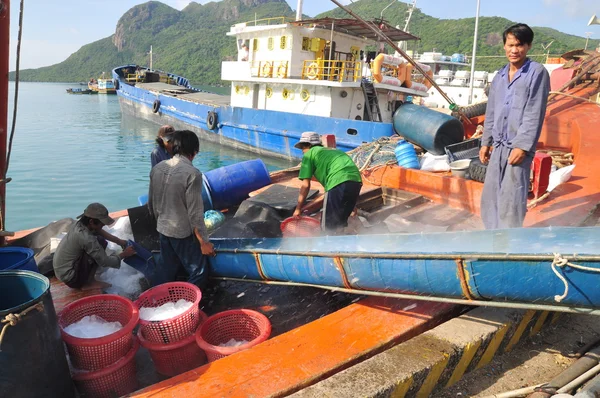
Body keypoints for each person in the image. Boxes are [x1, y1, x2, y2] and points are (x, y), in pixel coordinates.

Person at [479, 23, 550, 229]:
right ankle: (491, 236)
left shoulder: (537, 73)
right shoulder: (499, 76)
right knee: (491, 195)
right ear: (504, 46)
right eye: (510, 45)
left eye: (519, 45)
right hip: (498, 146)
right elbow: (491, 111)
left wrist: (523, 146)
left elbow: (534, 112)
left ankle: (509, 241)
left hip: (518, 147)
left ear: (528, 46)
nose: (514, 50)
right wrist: (486, 142)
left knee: (512, 198)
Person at [148, 129, 216, 289]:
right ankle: (185, 303)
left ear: (173, 147)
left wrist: (160, 223)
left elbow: (151, 204)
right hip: (181, 233)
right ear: (195, 152)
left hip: (163, 228)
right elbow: (195, 214)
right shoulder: (192, 174)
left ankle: (154, 300)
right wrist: (204, 243)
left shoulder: (157, 168)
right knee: (199, 272)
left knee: (166, 269)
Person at [293, 132, 362, 234]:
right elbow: (347, 180)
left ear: (307, 145)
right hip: (356, 181)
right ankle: (342, 245)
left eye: (302, 148)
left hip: (337, 182)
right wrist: (352, 205)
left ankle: (328, 245)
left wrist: (298, 209)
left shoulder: (309, 155)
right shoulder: (333, 151)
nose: (302, 152)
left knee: (328, 227)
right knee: (341, 222)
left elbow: (306, 185)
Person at [53, 203, 136, 289]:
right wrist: (124, 254)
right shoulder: (86, 238)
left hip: (63, 270)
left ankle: (88, 277)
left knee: (100, 241)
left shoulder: (81, 224)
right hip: (71, 278)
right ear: (91, 221)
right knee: (97, 246)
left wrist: (119, 241)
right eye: (101, 224)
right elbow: (105, 261)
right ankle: (88, 283)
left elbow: (99, 231)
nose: (103, 226)